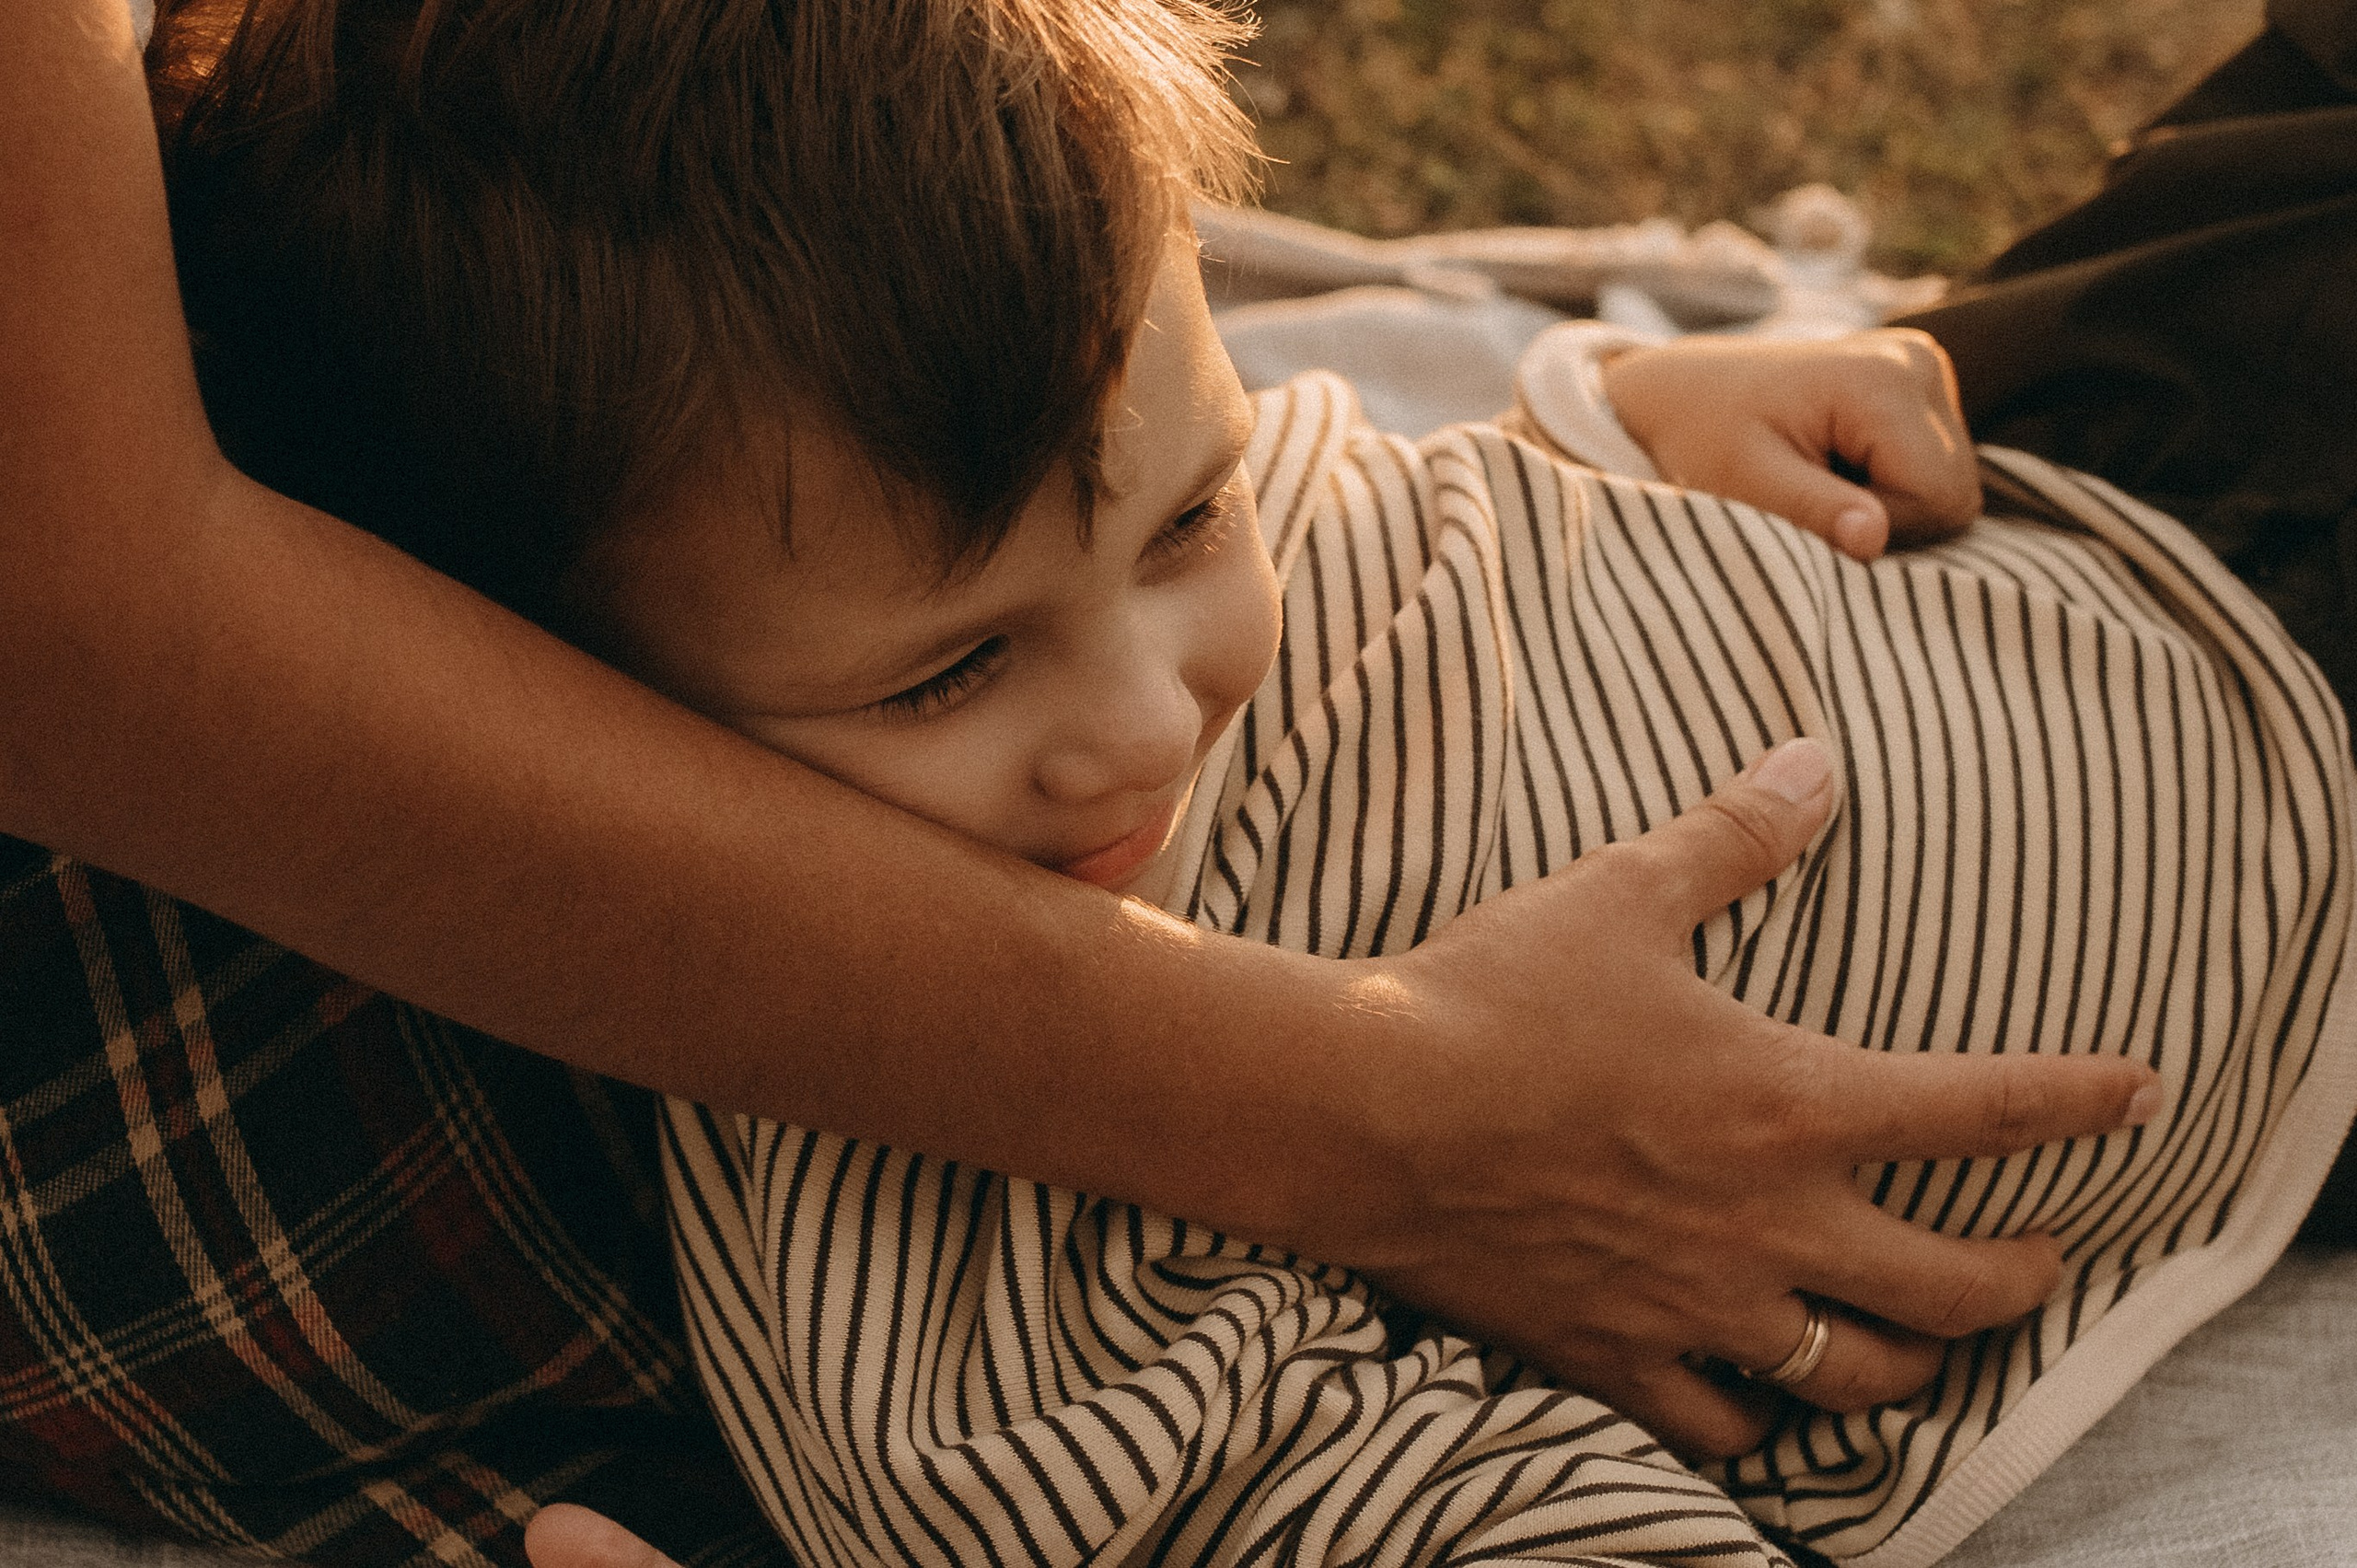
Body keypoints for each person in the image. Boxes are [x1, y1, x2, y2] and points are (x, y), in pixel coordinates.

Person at [144, 1, 2354, 1566]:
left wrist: (1614, 415)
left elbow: (1352, 464)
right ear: (551, 696)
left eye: (1183, 526)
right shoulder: (931, 1302)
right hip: (2303, 1016)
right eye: (949, 674)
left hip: (2097, 515)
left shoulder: (973, 503)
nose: (1145, 719)